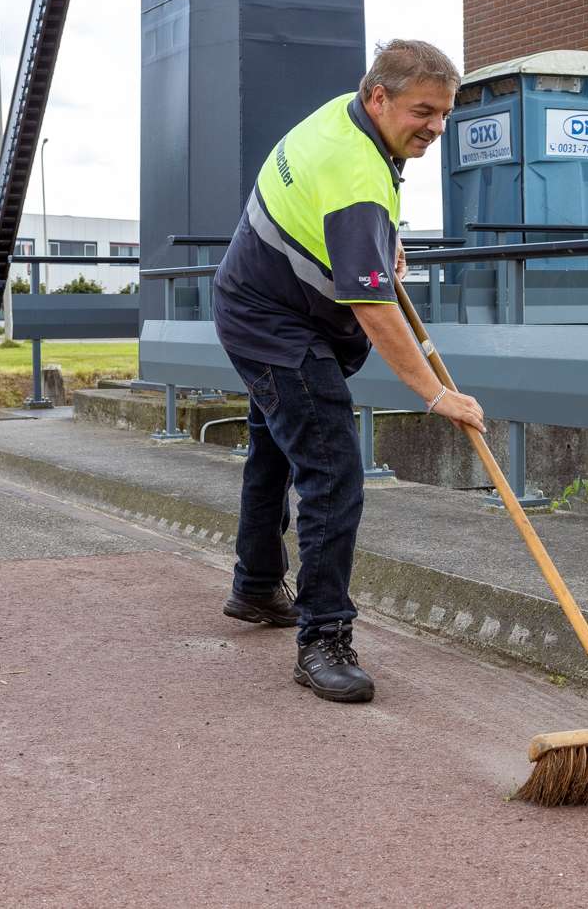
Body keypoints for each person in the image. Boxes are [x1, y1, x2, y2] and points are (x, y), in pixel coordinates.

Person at [212, 39, 486, 704]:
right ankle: (323, 638)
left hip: (258, 300)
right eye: (425, 111)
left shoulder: (352, 120)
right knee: (333, 472)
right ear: (380, 97)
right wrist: (436, 393)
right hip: (278, 325)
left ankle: (255, 586)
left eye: (445, 114)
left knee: (276, 452)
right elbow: (372, 306)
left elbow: (348, 221)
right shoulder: (355, 169)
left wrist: (381, 239)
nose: (436, 128)